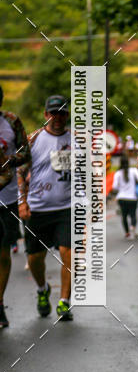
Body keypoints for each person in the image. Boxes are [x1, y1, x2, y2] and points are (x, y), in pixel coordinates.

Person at [17, 95, 73, 321]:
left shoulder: (77, 140)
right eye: (53, 112)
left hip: (68, 208)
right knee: (34, 260)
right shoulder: (33, 139)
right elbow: (19, 172)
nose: (57, 117)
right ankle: (42, 290)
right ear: (45, 115)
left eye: (62, 112)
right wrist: (22, 201)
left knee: (69, 254)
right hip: (37, 209)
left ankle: (64, 302)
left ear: (67, 115)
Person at [0, 85, 30, 328]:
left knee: (3, 253)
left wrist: (7, 159)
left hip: (6, 197)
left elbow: (25, 152)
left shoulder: (11, 121)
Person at [111, 155, 138, 238]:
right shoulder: (133, 171)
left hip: (121, 197)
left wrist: (121, 187)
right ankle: (132, 226)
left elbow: (114, 187)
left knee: (124, 215)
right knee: (133, 214)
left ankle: (127, 232)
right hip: (132, 198)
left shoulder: (118, 173)